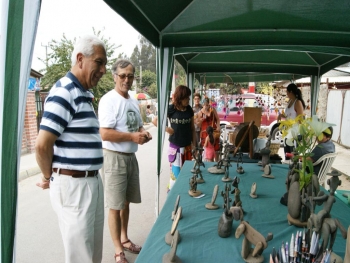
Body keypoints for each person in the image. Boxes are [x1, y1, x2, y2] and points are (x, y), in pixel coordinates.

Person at [35, 35, 107, 263]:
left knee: (92, 255)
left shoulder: (83, 94)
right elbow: (42, 145)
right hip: (75, 187)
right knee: (80, 257)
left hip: (90, 183)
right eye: (99, 62)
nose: (104, 69)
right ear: (80, 59)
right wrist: (49, 176)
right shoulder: (64, 92)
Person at [98, 59, 152, 263]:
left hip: (130, 157)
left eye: (130, 75)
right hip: (114, 158)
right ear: (114, 76)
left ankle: (124, 238)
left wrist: (143, 134)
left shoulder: (132, 101)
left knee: (126, 202)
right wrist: (132, 138)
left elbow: (138, 126)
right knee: (115, 205)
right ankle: (118, 250)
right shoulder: (108, 100)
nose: (126, 79)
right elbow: (104, 133)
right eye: (122, 75)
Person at [152, 85, 196, 192]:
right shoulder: (170, 109)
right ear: (180, 97)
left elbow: (192, 128)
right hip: (175, 147)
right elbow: (155, 121)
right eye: (187, 97)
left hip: (187, 147)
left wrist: (194, 144)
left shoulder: (189, 109)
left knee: (186, 174)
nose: (189, 100)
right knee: (175, 175)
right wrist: (167, 129)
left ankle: (183, 194)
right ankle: (172, 194)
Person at [277, 83, 306, 159]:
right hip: (287, 132)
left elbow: (300, 118)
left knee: (293, 156)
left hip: (294, 133)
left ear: (291, 92)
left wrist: (303, 133)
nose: (286, 94)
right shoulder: (290, 101)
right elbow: (288, 115)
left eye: (287, 92)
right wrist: (280, 115)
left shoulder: (298, 102)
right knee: (287, 154)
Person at [197, 97, 220, 161]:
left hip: (214, 131)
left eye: (207, 105)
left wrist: (218, 126)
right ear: (202, 105)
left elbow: (217, 119)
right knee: (206, 149)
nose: (206, 106)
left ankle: (217, 162)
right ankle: (206, 161)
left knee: (216, 148)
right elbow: (198, 125)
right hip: (205, 133)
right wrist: (200, 121)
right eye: (204, 105)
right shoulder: (200, 112)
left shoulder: (212, 110)